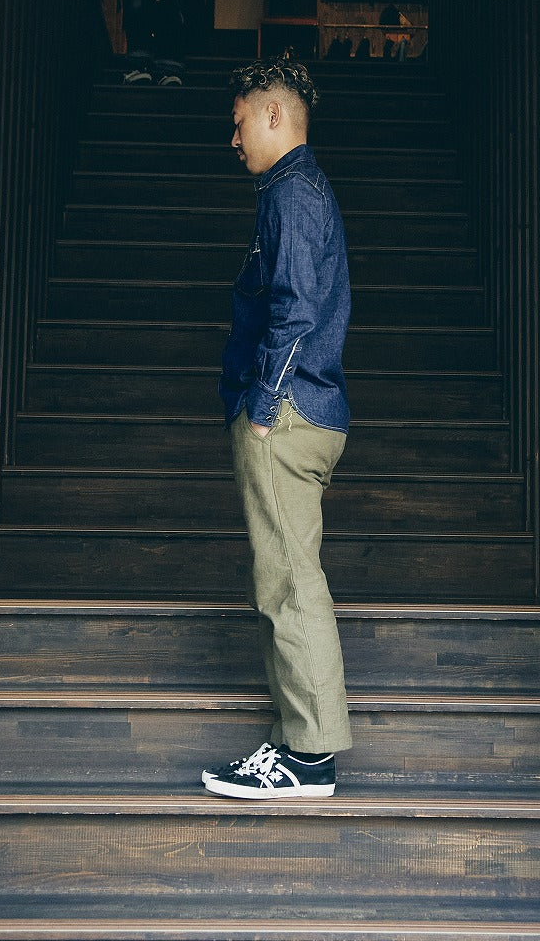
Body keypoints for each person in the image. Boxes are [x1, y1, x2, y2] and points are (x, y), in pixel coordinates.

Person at [202, 57, 352, 799]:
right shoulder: (292, 191)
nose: (232, 139)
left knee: (290, 582)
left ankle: (311, 757)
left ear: (272, 114)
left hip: (287, 414)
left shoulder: (293, 192)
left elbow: (296, 310)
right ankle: (294, 741)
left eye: (238, 123)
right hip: (297, 410)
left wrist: (262, 408)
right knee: (281, 579)